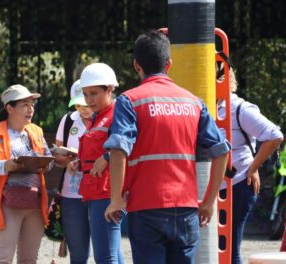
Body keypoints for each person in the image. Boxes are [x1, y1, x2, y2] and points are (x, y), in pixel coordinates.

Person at [103, 30, 231, 264]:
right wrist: (209, 202)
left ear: (136, 65)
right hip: (186, 208)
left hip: (146, 208)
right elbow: (221, 152)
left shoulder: (130, 101)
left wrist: (116, 198)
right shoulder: (193, 102)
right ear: (169, 64)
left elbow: (118, 150)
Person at [0, 84, 52, 264]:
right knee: (2, 259)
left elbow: (47, 158)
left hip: (35, 203)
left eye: (32, 104)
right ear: (9, 108)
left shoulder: (36, 131)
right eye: (25, 104)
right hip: (6, 204)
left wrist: (49, 162)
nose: (30, 109)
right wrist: (5, 165)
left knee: (29, 260)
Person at [217, 66, 283, 263]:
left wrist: (253, 168)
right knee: (218, 249)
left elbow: (274, 135)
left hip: (237, 184)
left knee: (228, 249)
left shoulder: (239, 108)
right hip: (216, 187)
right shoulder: (206, 105)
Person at [68, 63, 124, 264]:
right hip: (95, 190)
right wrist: (79, 162)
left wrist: (107, 158)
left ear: (109, 89)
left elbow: (131, 142)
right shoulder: (97, 117)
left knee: (105, 257)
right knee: (113, 254)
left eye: (94, 94)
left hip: (107, 191)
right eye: (85, 94)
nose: (89, 100)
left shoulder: (118, 114)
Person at [53, 79, 93, 264]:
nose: (82, 109)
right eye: (77, 105)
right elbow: (57, 155)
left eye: (85, 104)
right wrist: (68, 161)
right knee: (78, 253)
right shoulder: (68, 120)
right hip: (72, 193)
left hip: (99, 194)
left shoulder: (108, 119)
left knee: (108, 252)